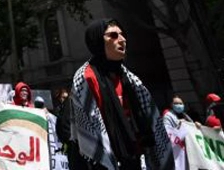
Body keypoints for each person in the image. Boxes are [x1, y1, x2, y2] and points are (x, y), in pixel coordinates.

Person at [66, 19, 174, 170]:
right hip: (105, 162)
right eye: (113, 35)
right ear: (97, 40)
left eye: (122, 35)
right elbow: (91, 130)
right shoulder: (86, 77)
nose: (122, 40)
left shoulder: (128, 77)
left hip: (135, 157)